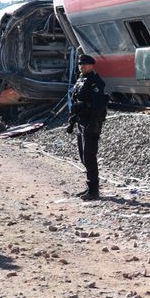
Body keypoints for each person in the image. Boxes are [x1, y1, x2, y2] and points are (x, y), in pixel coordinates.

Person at [67, 54, 108, 200]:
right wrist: (72, 120)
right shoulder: (81, 79)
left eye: (84, 64)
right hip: (81, 122)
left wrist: (92, 123)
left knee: (89, 156)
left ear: (92, 65)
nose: (81, 66)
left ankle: (94, 191)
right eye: (79, 64)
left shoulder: (95, 82)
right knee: (83, 156)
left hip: (90, 123)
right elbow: (76, 101)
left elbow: (98, 106)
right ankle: (89, 187)